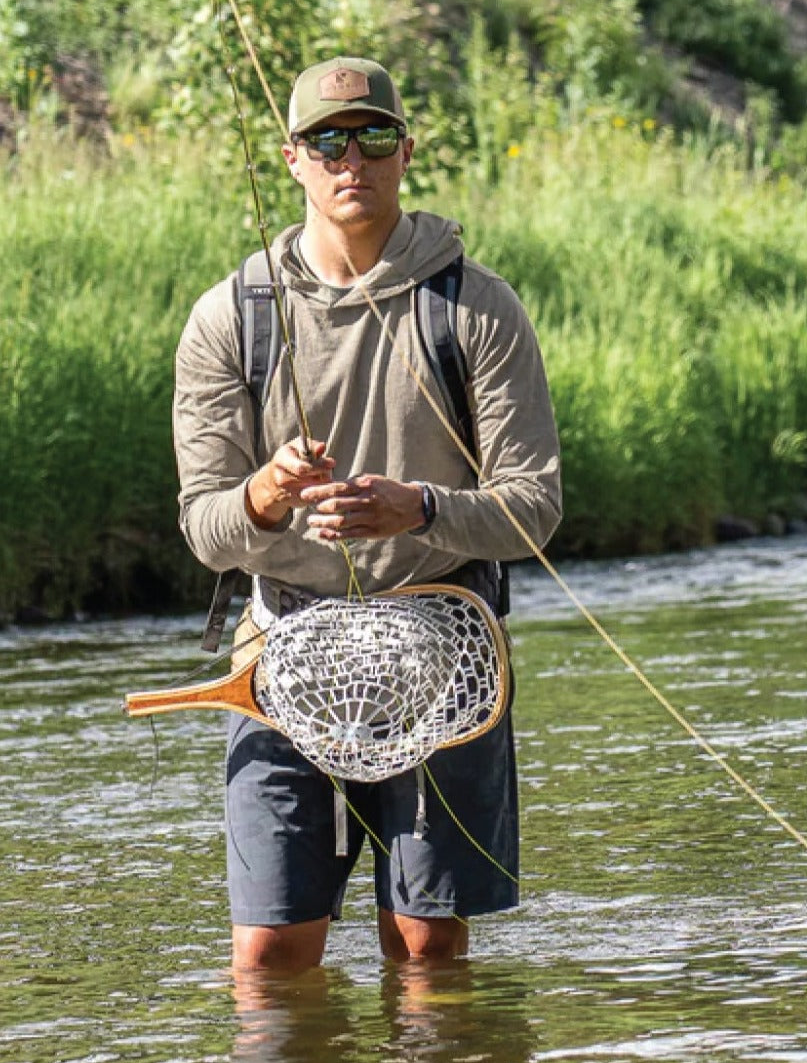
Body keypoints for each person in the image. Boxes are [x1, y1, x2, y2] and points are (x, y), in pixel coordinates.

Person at [173, 56, 562, 976]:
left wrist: (417, 508)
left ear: (406, 151)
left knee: (425, 948)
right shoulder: (231, 318)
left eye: (374, 137)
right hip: (281, 655)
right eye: (328, 141)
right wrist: (266, 495)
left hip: (444, 650)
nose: (354, 159)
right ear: (293, 158)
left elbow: (534, 508)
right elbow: (205, 526)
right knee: (267, 955)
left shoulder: (477, 307)